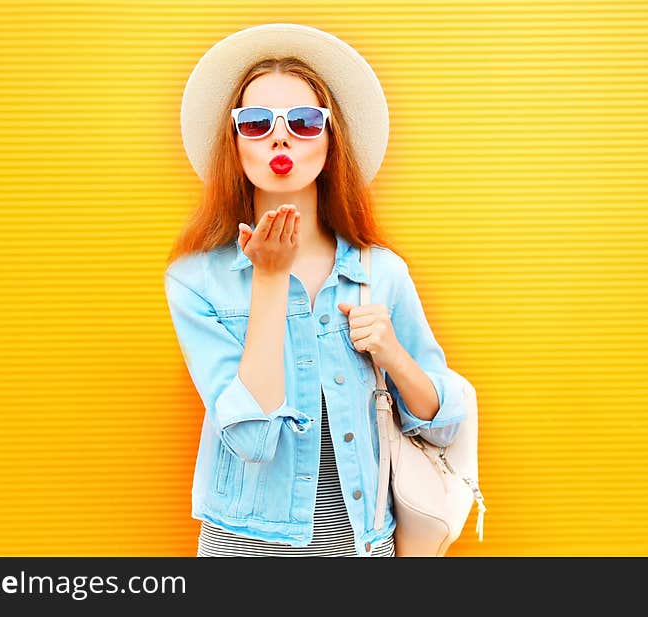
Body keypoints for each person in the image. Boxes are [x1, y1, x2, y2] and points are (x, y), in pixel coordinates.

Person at [164, 23, 472, 557]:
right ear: (234, 145)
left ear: (330, 142)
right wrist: (269, 278)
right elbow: (251, 441)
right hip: (245, 546)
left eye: (305, 122)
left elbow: (443, 426)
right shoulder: (196, 281)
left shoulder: (383, 274)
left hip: (361, 541)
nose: (280, 138)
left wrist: (392, 353)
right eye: (256, 123)